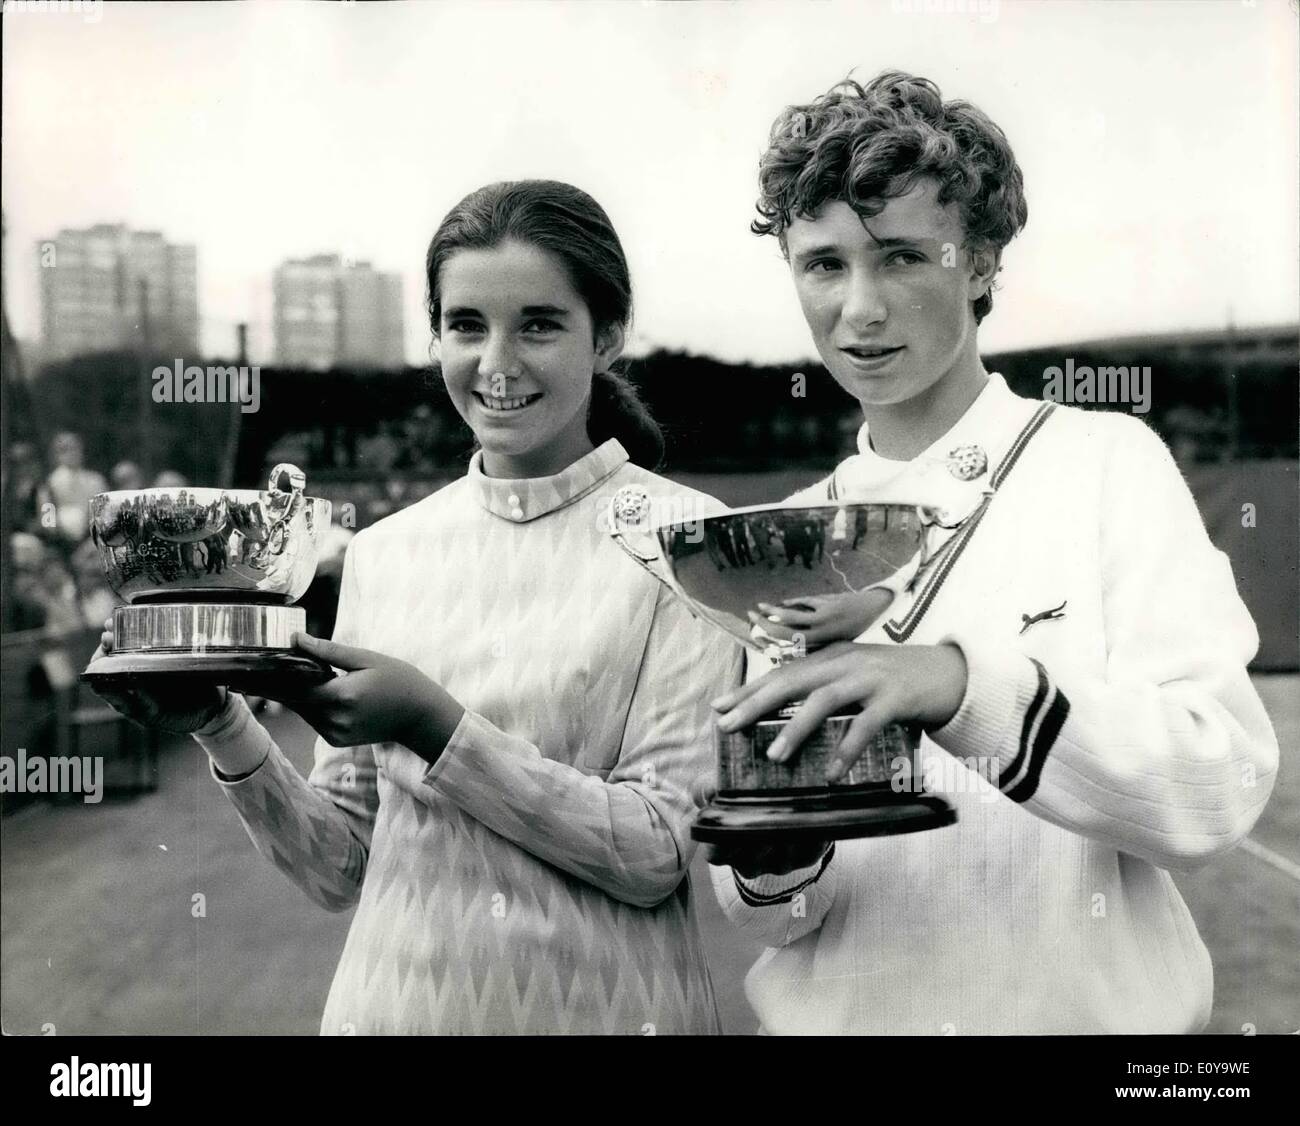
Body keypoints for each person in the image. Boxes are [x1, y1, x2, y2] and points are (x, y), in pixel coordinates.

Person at [92, 180, 741, 1035]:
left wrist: (438, 726)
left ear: (608, 336)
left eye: (539, 324)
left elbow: (656, 850)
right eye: (467, 325)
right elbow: (340, 865)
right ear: (435, 335)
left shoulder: (690, 540)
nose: (497, 363)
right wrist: (221, 725)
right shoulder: (383, 552)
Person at [704, 71, 1279, 1034]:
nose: (860, 309)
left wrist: (964, 687)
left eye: (899, 258)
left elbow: (1215, 784)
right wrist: (771, 854)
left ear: (979, 263)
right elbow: (782, 920)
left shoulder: (1104, 464)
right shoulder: (785, 539)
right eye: (823, 265)